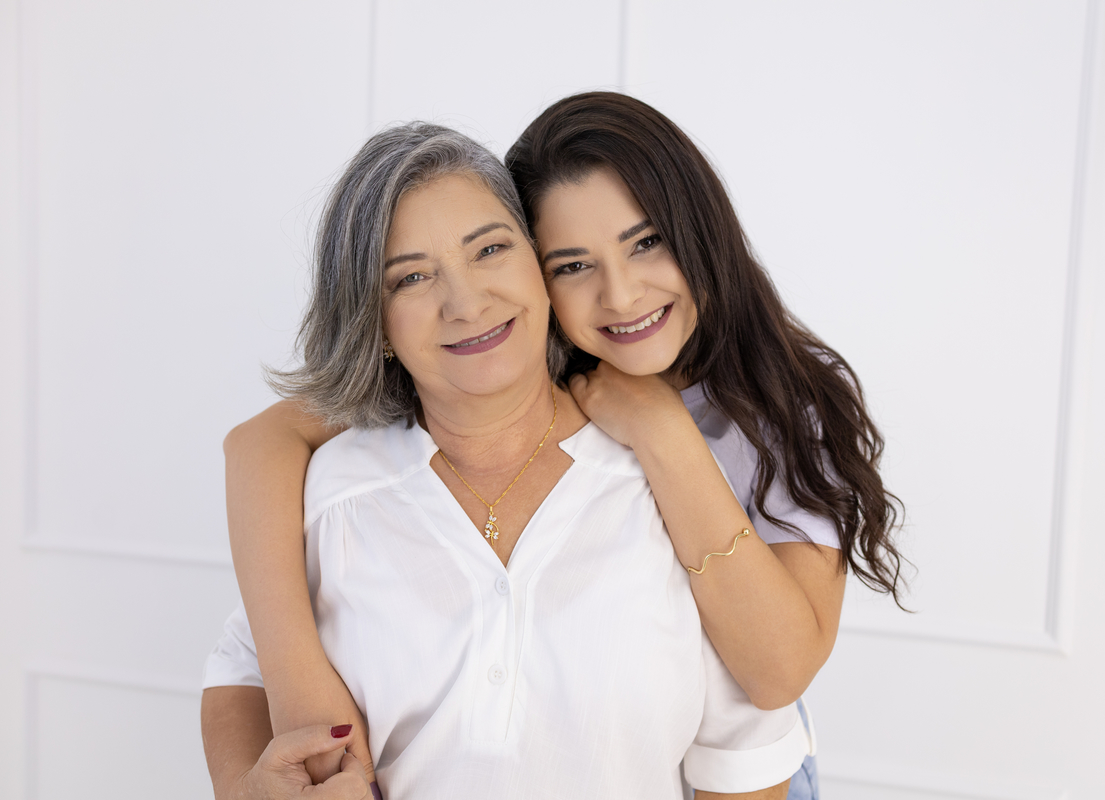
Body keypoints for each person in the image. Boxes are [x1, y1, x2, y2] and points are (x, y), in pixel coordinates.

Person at [212, 92, 906, 799]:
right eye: (573, 264)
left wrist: (665, 432)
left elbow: (774, 676)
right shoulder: (499, 381)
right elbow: (264, 441)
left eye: (646, 242)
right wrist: (290, 716)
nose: (622, 294)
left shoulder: (781, 409)